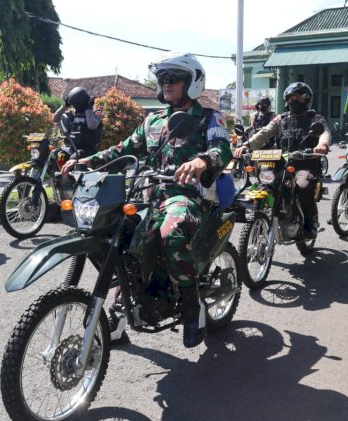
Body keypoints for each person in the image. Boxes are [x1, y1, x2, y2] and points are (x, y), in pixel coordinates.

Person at [61, 52, 231, 348]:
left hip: (186, 196)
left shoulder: (208, 118)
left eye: (173, 78)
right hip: (148, 196)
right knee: (118, 238)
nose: (165, 84)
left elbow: (221, 149)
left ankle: (192, 307)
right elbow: (124, 149)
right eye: (162, 78)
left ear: (191, 83)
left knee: (173, 235)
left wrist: (201, 162)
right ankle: (121, 309)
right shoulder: (153, 120)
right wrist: (89, 161)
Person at [232, 82, 330, 239]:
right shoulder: (281, 119)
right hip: (282, 162)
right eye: (291, 97)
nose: (293, 100)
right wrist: (246, 145)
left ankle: (310, 222)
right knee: (267, 183)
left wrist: (322, 144)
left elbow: (324, 133)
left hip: (306, 163)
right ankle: (265, 215)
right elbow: (264, 133)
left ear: (306, 100)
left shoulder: (314, 118)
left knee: (303, 186)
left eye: (297, 97)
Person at [52, 87, 103, 159]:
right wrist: (65, 106)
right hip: (73, 148)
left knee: (73, 158)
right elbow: (55, 119)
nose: (75, 107)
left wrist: (89, 109)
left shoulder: (96, 113)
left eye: (76, 104)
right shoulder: (73, 113)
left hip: (89, 150)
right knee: (55, 155)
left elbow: (91, 125)